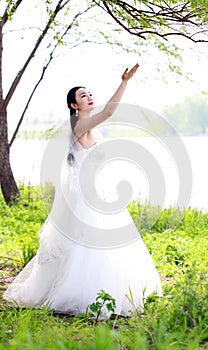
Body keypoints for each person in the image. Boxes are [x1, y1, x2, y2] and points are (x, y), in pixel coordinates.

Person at [3, 64, 162, 317]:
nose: (88, 97)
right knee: (91, 246)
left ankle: (112, 289)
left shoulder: (89, 126)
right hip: (85, 196)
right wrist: (124, 82)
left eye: (89, 93)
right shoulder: (80, 125)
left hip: (99, 191)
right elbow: (109, 112)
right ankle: (83, 294)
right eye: (82, 96)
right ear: (74, 106)